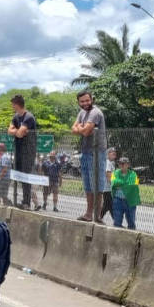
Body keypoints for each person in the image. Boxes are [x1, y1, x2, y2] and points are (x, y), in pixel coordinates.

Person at [71, 91, 107, 222]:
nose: (85, 103)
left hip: (97, 153)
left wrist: (80, 128)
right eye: (82, 101)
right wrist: (81, 128)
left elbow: (85, 132)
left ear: (92, 99)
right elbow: (73, 129)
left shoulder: (95, 113)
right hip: (85, 152)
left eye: (87, 100)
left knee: (97, 185)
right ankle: (88, 214)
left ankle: (97, 215)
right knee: (87, 185)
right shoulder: (82, 113)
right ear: (78, 102)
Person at [7, 95, 37, 210]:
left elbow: (20, 133)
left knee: (26, 176)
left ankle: (27, 203)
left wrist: (17, 131)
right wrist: (17, 131)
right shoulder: (16, 117)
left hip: (28, 151)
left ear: (17, 104)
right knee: (19, 175)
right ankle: (22, 199)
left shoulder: (28, 117)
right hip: (18, 149)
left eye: (13, 104)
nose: (12, 107)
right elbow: (10, 131)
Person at [110, 157, 141, 230]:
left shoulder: (133, 174)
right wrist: (125, 183)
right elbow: (114, 183)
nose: (121, 165)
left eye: (123, 164)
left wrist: (120, 184)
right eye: (119, 163)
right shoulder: (115, 173)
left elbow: (132, 186)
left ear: (128, 165)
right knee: (117, 223)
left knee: (131, 223)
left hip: (130, 200)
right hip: (117, 200)